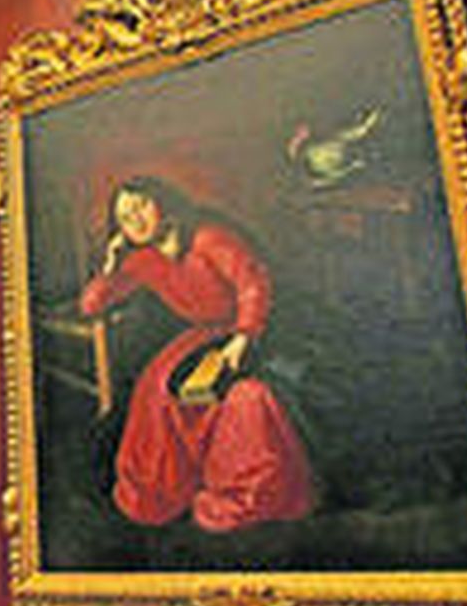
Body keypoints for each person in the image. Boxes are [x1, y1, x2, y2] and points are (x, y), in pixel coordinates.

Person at [80, 176, 315, 532]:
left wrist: (244, 335)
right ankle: (163, 492)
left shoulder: (208, 238)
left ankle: (228, 484)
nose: (136, 220)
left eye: (142, 205)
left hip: (253, 325)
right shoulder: (142, 260)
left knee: (224, 392)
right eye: (125, 217)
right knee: (155, 386)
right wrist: (111, 264)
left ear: (163, 202)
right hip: (204, 333)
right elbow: (92, 304)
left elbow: (253, 284)